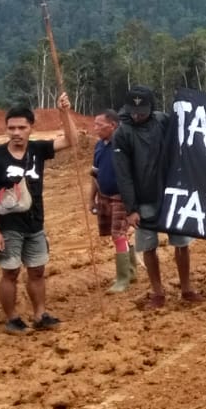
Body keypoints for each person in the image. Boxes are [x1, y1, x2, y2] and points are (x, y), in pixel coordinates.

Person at [0, 94, 76, 334]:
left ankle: (40, 314)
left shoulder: (38, 150)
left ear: (31, 128)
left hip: (35, 223)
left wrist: (64, 112)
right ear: (6, 129)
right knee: (10, 272)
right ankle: (12, 318)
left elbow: (72, 141)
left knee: (37, 270)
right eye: (11, 128)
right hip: (8, 225)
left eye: (22, 127)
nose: (16, 132)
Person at [113, 85, 199, 309]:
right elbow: (123, 174)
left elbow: (185, 139)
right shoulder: (122, 133)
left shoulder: (163, 121)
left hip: (171, 195)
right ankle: (158, 292)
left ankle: (187, 288)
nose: (137, 114)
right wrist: (131, 208)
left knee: (182, 243)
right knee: (148, 246)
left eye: (142, 110)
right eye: (133, 110)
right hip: (143, 200)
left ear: (152, 107)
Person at [91, 108, 135, 293]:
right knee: (119, 233)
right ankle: (131, 271)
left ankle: (123, 279)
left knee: (118, 234)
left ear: (113, 125)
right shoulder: (99, 145)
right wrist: (91, 199)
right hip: (104, 196)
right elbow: (94, 174)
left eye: (99, 125)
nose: (95, 129)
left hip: (121, 197)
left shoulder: (125, 144)